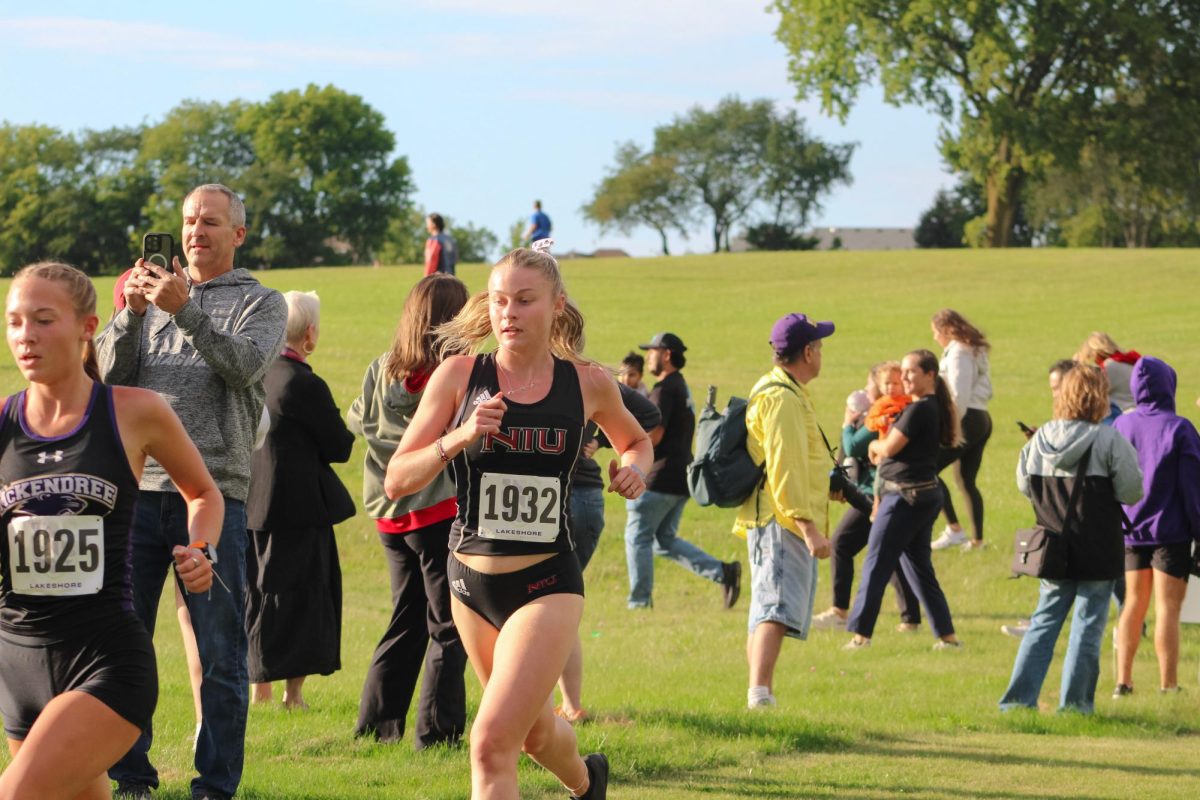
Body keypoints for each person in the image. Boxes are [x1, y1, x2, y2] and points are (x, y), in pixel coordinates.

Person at [382, 241, 653, 800]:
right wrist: (460, 436)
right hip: (469, 582)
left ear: (556, 304)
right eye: (501, 301)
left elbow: (637, 440)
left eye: (525, 301)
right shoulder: (459, 376)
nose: (509, 313)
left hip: (546, 582)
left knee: (488, 742)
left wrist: (633, 469)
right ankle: (587, 781)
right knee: (529, 732)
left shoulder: (587, 382)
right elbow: (397, 479)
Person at [1, 262, 222, 799]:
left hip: (106, 660)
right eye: (14, 322)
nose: (25, 335)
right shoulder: (3, 424)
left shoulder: (134, 411)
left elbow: (204, 493)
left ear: (87, 326)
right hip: (16, 664)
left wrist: (201, 549)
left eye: (43, 319)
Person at [97, 183, 288, 800]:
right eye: (187, 221)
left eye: (209, 221)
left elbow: (242, 367)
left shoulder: (263, 303)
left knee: (220, 650)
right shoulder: (146, 297)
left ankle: (215, 785)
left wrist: (185, 310)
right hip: (134, 491)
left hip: (212, 495)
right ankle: (130, 776)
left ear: (238, 233)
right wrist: (129, 313)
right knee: (122, 642)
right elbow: (104, 378)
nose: (195, 231)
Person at [350, 273, 470, 748]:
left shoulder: (382, 367)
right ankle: (437, 735)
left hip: (389, 511)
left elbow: (356, 417)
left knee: (405, 617)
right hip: (437, 507)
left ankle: (378, 725)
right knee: (447, 625)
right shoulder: (453, 371)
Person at [999, 365, 1143, 714]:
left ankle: (1018, 702)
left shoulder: (1039, 439)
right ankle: (1076, 705)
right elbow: (1131, 491)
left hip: (1053, 547)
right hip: (1098, 546)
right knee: (1087, 628)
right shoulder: (1108, 440)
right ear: (1100, 398)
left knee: (1043, 623)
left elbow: (1024, 486)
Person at [244, 291, 355, 709]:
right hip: (299, 509)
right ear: (310, 333)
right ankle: (294, 694)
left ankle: (260, 687)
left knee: (256, 593)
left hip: (251, 505)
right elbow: (339, 446)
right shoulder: (303, 382)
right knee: (303, 598)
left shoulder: (255, 375)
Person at [732, 313, 834, 709]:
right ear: (807, 352)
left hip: (777, 515)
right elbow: (784, 465)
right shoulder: (782, 398)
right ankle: (759, 694)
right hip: (781, 519)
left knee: (767, 608)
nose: (822, 353)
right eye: (819, 347)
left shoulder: (784, 391)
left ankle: (762, 691)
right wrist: (808, 527)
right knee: (773, 609)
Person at [556, 382, 660, 722]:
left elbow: (648, 414)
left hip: (574, 497)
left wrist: (599, 440)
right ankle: (565, 706)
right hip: (580, 500)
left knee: (551, 605)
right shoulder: (580, 377)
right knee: (554, 604)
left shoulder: (586, 378)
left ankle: (563, 707)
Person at [844, 350, 961, 650]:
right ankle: (947, 638)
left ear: (930, 375)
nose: (905, 378)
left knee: (876, 562)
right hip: (922, 495)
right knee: (919, 567)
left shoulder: (919, 409)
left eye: (911, 372)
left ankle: (860, 637)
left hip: (903, 498)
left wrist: (874, 446)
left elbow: (891, 447)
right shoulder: (929, 407)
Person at [624, 332, 741, 609]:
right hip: (681, 478)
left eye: (652, 351)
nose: (648, 356)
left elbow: (653, 436)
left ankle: (639, 602)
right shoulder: (681, 387)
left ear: (666, 355)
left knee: (637, 536)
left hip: (658, 478)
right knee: (663, 540)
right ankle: (723, 572)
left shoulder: (663, 389)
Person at [1111, 356, 1200, 697]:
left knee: (1133, 603)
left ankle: (1123, 681)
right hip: (1171, 531)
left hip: (1130, 530)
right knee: (1168, 609)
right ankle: (1168, 684)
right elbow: (1193, 488)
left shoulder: (1122, 426)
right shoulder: (1180, 428)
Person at [813, 362, 922, 633]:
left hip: (878, 493)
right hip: (880, 491)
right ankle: (911, 618)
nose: (867, 390)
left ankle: (840, 611)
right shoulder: (882, 410)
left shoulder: (886, 411)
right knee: (890, 551)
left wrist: (847, 423)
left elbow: (852, 445)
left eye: (871, 384)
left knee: (842, 543)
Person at [1003, 358, 1078, 639]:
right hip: (1066, 520)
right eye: (1052, 389)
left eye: (1059, 388)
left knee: (1103, 589)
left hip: (1077, 523)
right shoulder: (1054, 429)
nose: (1055, 395)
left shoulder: (1100, 427)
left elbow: (1026, 484)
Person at [929, 309, 993, 551]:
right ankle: (977, 541)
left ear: (946, 330)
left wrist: (949, 428)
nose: (935, 338)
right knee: (966, 480)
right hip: (981, 417)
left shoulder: (959, 353)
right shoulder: (972, 349)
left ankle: (955, 529)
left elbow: (958, 395)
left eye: (936, 332)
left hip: (967, 419)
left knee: (928, 469)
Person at [1075, 332, 1140, 416]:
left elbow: (1089, 395)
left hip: (1121, 415)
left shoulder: (1107, 368)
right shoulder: (1130, 362)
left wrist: (1076, 367)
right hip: (1138, 411)